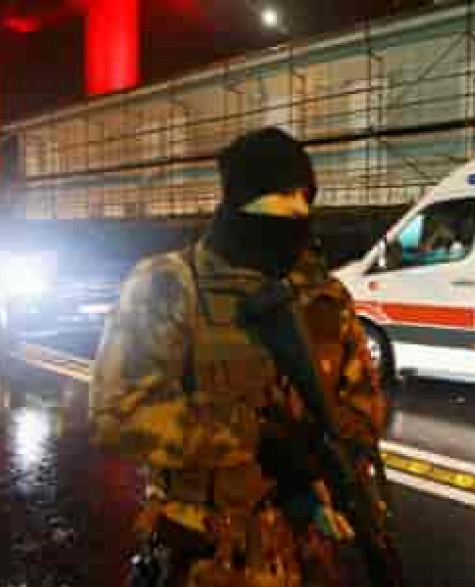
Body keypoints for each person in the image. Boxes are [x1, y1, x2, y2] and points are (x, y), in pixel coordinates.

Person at [89, 127, 388, 587]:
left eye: (304, 202)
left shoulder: (325, 297)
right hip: (206, 555)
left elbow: (364, 406)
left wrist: (325, 457)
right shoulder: (168, 284)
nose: (294, 217)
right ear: (237, 204)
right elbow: (117, 417)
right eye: (276, 203)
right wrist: (253, 437)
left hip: (306, 552)